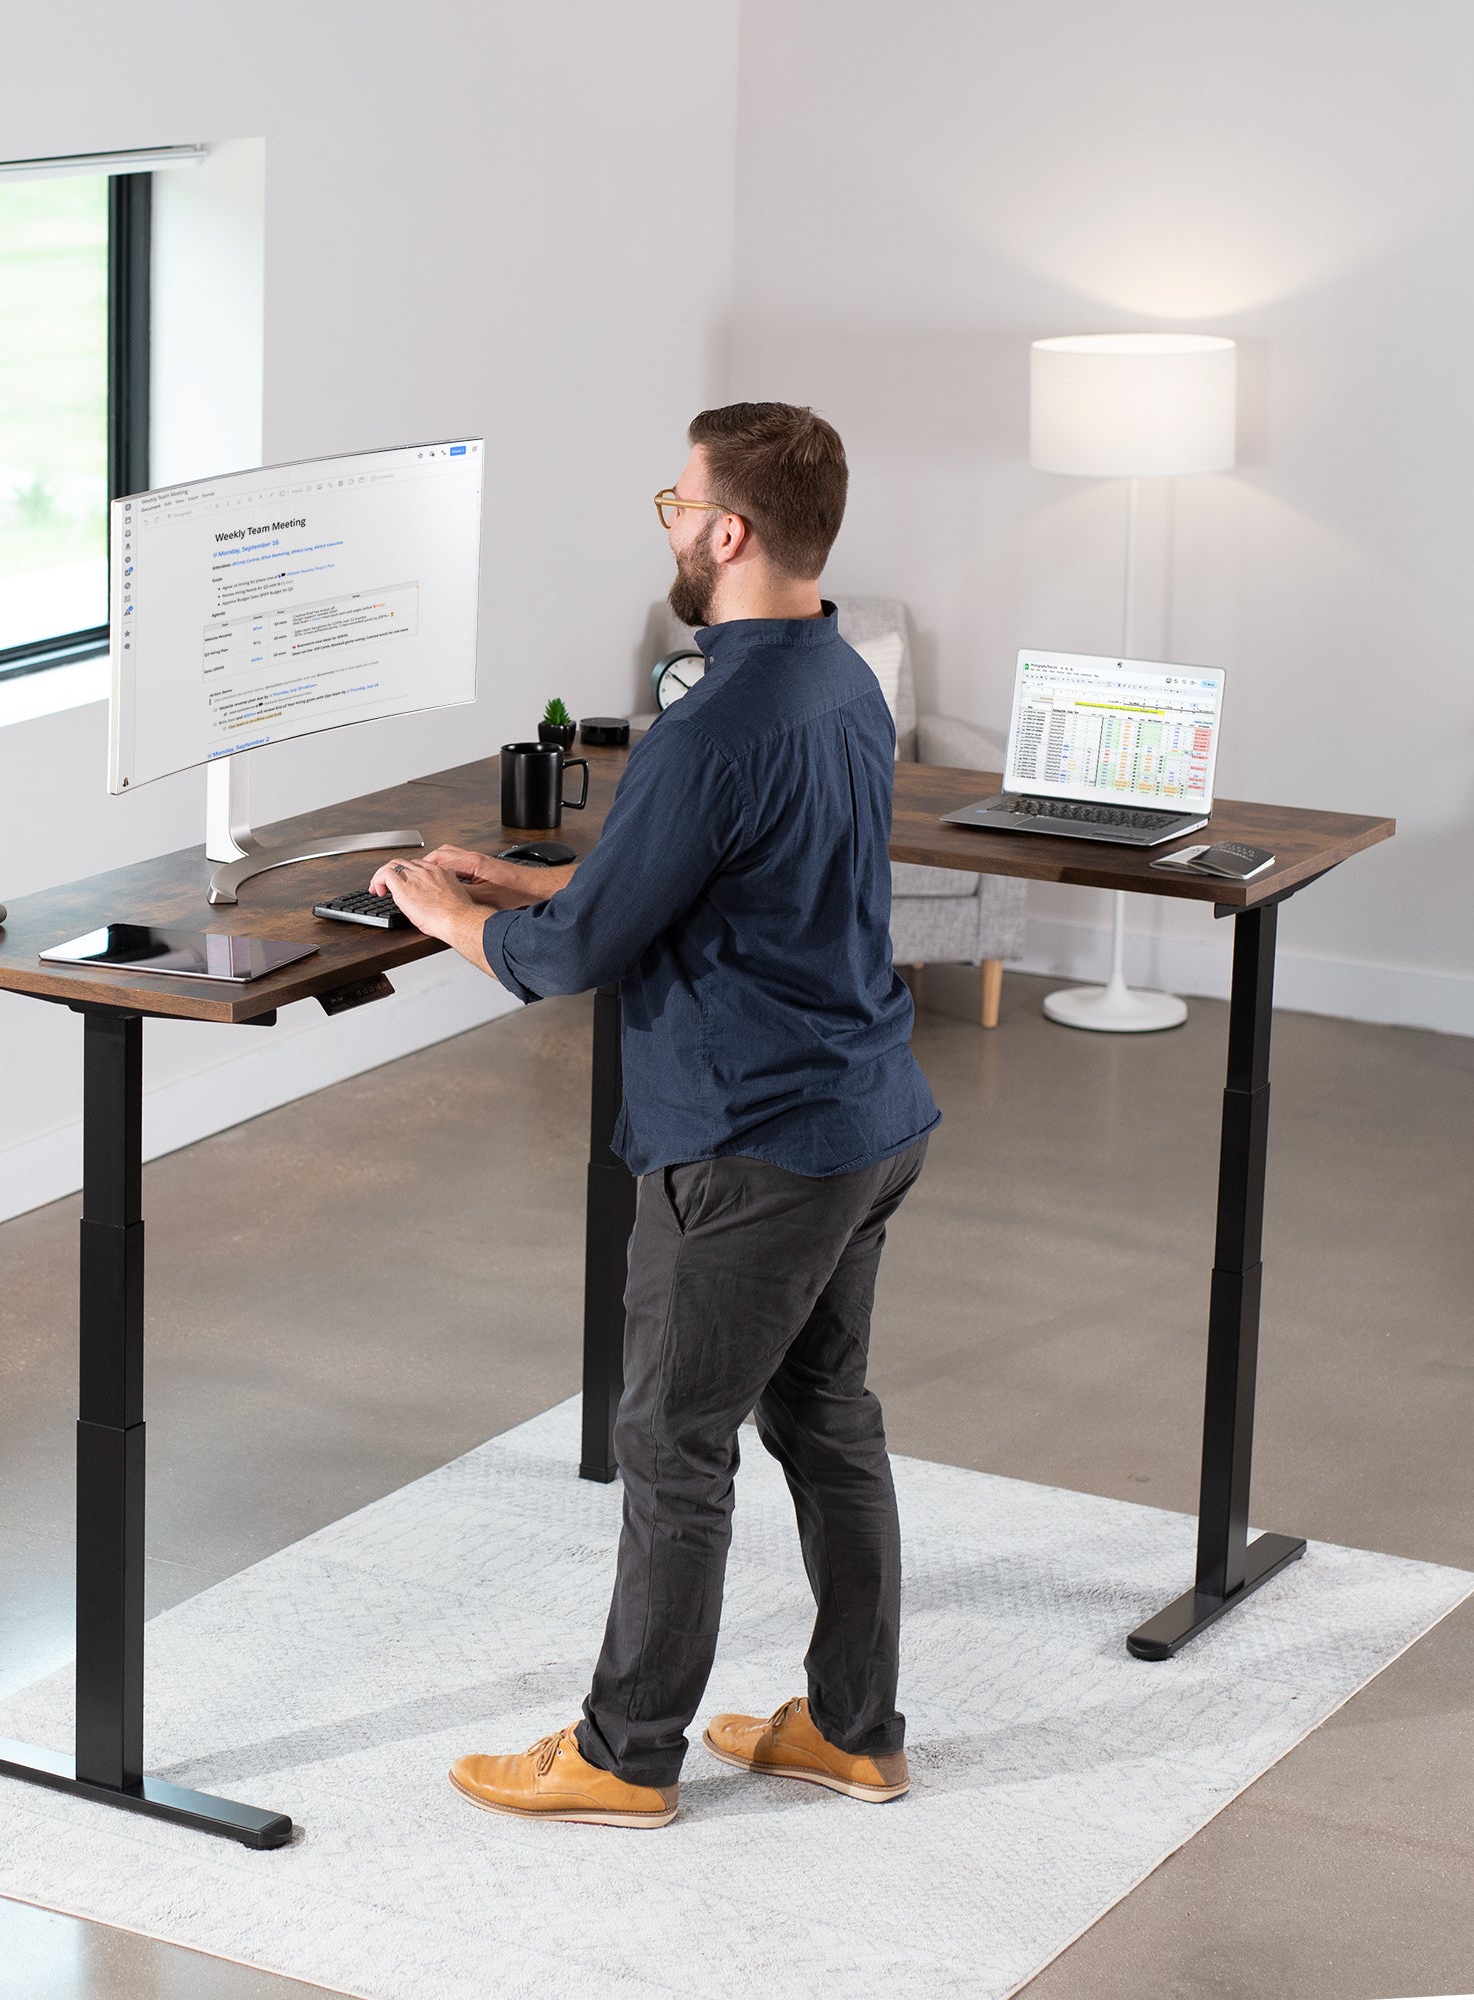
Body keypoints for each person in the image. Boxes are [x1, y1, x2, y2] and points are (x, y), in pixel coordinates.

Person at [371, 401, 940, 1828]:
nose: (672, 525)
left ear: (729, 532)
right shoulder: (839, 681)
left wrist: (448, 915)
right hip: (868, 1116)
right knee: (825, 1418)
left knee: (674, 1443)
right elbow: (717, 886)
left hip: (750, 1145)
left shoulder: (709, 718)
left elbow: (572, 966)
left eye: (677, 504)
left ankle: (625, 1755)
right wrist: (538, 882)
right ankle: (856, 1730)